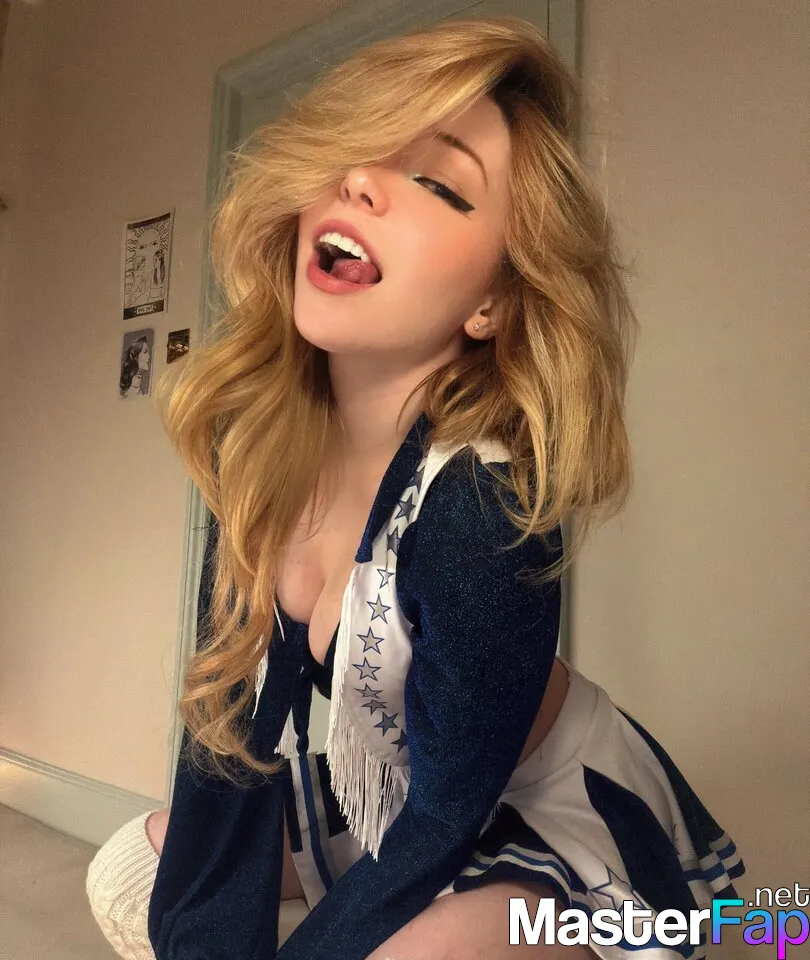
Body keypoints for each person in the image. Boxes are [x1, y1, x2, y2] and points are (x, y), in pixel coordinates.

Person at [86, 16, 744, 960]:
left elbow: (446, 814)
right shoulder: (258, 450)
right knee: (129, 871)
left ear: (493, 303)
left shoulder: (481, 507)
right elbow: (223, 730)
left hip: (531, 807)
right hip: (392, 791)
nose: (358, 181)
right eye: (353, 150)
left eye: (436, 182)